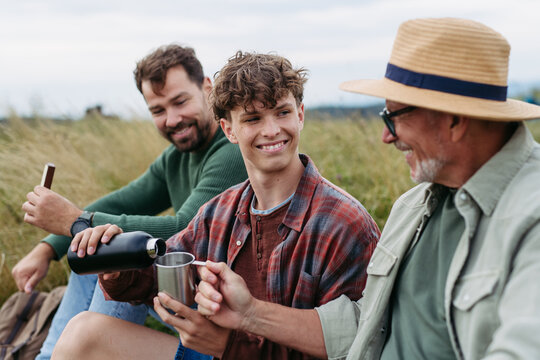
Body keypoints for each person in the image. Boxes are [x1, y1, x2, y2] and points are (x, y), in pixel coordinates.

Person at [193, 17, 540, 359]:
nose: (385, 137)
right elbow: (365, 324)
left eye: (393, 118)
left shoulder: (530, 215)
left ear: (454, 119)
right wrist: (251, 314)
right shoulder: (414, 206)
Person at [50, 51, 380, 360]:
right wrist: (119, 268)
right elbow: (158, 274)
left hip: (236, 352)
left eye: (282, 112)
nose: (271, 130)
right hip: (218, 352)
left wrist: (230, 344)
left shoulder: (345, 223)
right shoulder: (222, 210)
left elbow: (361, 346)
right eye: (252, 119)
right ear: (229, 129)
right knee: (83, 333)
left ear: (301, 115)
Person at [12, 44, 248, 360]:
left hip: (221, 311)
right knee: (90, 249)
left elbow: (186, 228)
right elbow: (124, 199)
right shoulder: (176, 158)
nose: (173, 119)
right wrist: (48, 246)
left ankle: (87, 351)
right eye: (158, 110)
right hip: (185, 290)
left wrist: (76, 220)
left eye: (180, 101)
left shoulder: (231, 149)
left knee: (116, 251)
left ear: (207, 88)